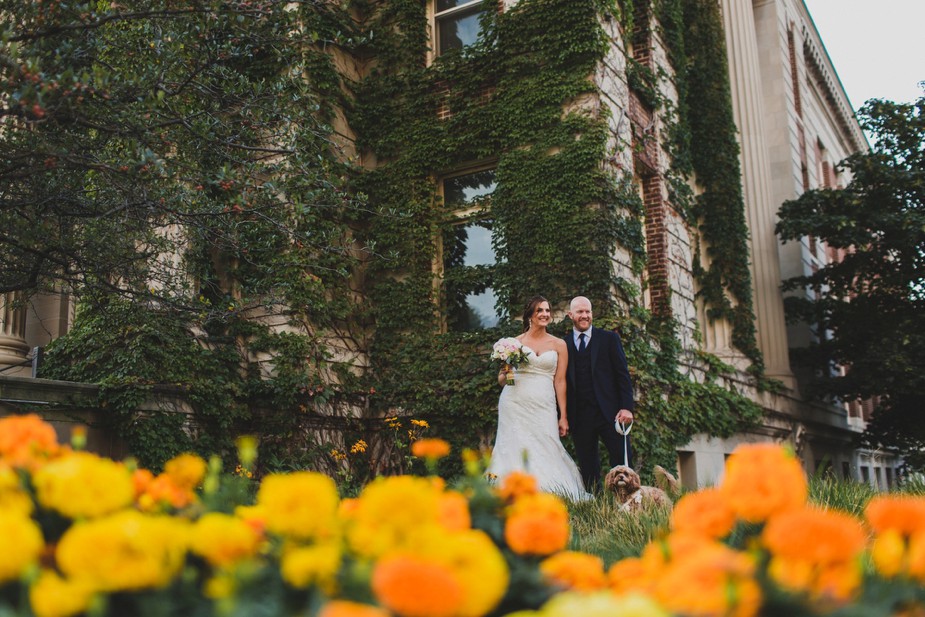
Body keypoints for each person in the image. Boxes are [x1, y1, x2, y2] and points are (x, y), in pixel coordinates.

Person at [487, 296, 589, 501]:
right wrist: (505, 375)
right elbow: (502, 378)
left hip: (544, 404)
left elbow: (560, 381)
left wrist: (563, 416)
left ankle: (549, 493)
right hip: (514, 402)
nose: (545, 314)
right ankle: (512, 494)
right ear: (530, 316)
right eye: (539, 311)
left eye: (547, 310)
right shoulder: (514, 343)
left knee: (546, 445)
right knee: (514, 446)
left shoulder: (559, 344)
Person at [564, 296, 635, 492]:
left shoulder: (608, 339)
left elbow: (623, 375)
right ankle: (596, 510)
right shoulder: (564, 345)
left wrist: (627, 407)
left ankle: (629, 505)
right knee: (588, 468)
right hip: (580, 415)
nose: (585, 315)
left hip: (611, 413)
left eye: (588, 311)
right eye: (580, 312)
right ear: (570, 315)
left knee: (622, 463)